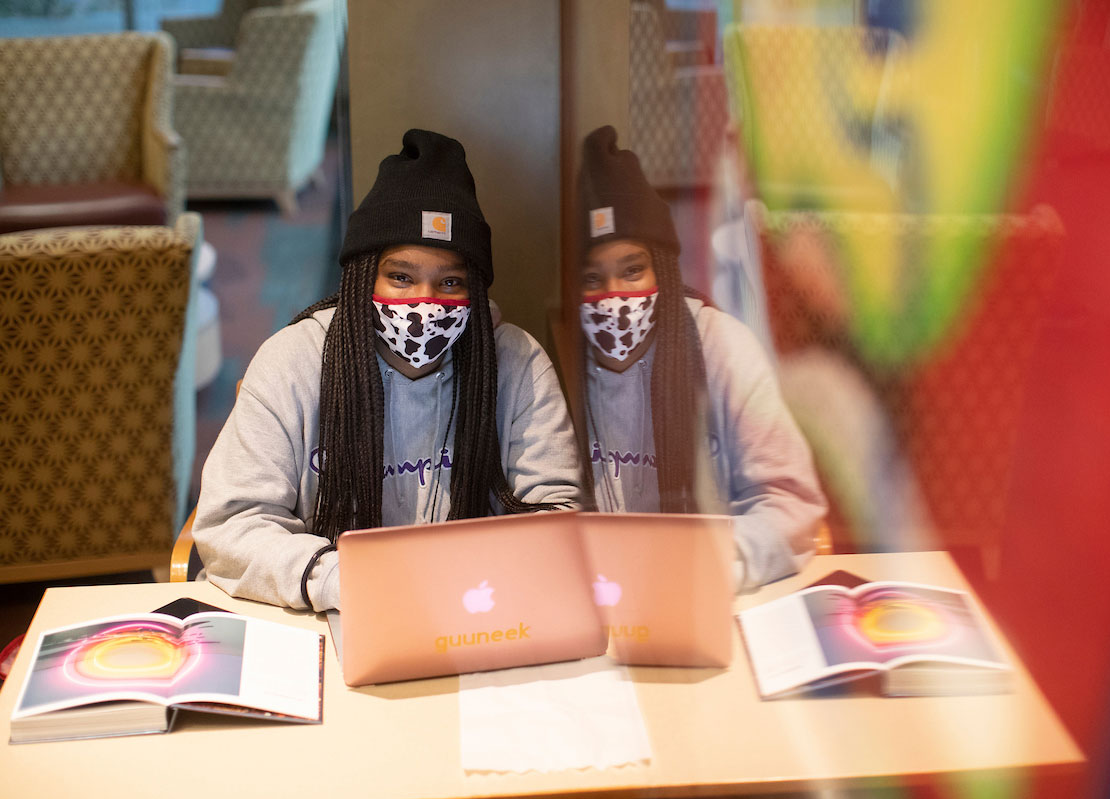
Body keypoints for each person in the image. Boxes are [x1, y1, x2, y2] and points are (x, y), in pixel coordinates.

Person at [193, 129, 582, 612]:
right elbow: (232, 524)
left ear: (475, 293)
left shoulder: (518, 362)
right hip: (331, 612)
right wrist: (340, 581)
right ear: (363, 276)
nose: (425, 300)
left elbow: (558, 509)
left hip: (475, 612)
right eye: (400, 276)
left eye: (451, 281)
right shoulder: (292, 361)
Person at [574, 126, 827, 589]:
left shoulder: (723, 347)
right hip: (606, 603)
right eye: (594, 278)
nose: (614, 295)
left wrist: (713, 566)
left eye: (632, 270)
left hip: (716, 594)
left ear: (663, 269)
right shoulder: (565, 367)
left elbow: (789, 502)